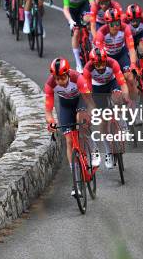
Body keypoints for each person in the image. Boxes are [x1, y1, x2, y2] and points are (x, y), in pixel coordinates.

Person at [44, 58, 99, 196]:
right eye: (57, 78)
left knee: (80, 118)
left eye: (62, 77)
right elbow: (48, 109)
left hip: (81, 101)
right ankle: (75, 179)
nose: (60, 82)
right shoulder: (50, 84)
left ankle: (93, 150)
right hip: (66, 106)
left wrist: (91, 114)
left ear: (68, 74)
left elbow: (89, 100)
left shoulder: (77, 78)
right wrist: (51, 122)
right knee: (69, 140)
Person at [82, 47, 131, 169]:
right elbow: (88, 93)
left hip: (112, 83)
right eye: (97, 65)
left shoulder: (112, 63)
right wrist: (91, 109)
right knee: (103, 121)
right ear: (92, 63)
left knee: (118, 98)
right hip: (97, 88)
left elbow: (122, 83)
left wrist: (126, 95)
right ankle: (109, 152)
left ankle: (123, 125)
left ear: (106, 60)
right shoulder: (87, 69)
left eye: (102, 63)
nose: (100, 67)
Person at [94, 8, 139, 97]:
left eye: (117, 23)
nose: (115, 26)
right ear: (107, 24)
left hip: (121, 54)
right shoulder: (101, 33)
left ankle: (134, 103)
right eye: (112, 24)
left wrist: (133, 64)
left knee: (129, 77)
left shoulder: (125, 28)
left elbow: (131, 49)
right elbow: (99, 54)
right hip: (107, 57)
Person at [62, 0, 95, 73]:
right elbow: (65, 9)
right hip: (71, 10)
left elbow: (92, 4)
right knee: (76, 32)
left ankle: (91, 42)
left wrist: (93, 16)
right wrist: (71, 21)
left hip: (82, 6)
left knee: (88, 19)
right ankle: (78, 63)